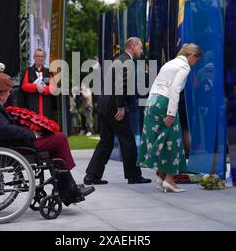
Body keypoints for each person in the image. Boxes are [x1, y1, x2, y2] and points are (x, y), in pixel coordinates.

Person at [0, 71, 94, 205]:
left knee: (54, 144)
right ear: (1, 93)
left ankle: (67, 187)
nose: (9, 94)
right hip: (14, 147)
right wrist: (32, 134)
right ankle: (67, 189)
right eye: (8, 91)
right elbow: (5, 130)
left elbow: (4, 127)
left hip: (8, 143)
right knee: (59, 138)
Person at [84, 37, 152, 185]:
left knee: (106, 142)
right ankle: (134, 176)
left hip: (104, 106)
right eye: (140, 47)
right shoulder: (126, 62)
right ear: (133, 46)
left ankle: (92, 176)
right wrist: (120, 107)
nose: (141, 50)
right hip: (114, 107)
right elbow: (120, 86)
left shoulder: (119, 60)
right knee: (128, 140)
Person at [137, 43, 202, 193]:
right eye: (196, 60)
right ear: (192, 56)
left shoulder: (169, 63)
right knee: (174, 141)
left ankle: (161, 176)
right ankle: (169, 180)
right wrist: (171, 113)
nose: (195, 63)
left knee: (161, 140)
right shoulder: (184, 67)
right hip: (165, 102)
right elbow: (174, 89)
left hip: (152, 101)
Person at [20, 49, 56, 118]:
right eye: (38, 56)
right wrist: (36, 87)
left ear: (44, 58)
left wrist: (44, 89)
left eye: (42, 56)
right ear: (34, 57)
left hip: (46, 106)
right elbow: (24, 86)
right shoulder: (28, 71)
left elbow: (53, 88)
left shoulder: (48, 72)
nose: (40, 58)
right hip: (31, 105)